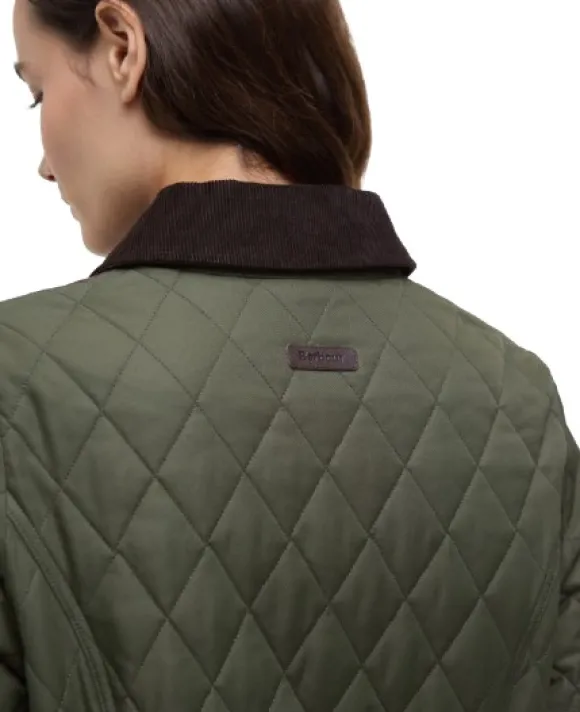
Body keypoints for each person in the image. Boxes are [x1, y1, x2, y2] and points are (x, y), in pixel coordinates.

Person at [3, 0, 578, 710]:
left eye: (37, 91)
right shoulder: (518, 396)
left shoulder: (14, 377)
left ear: (123, 47)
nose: (43, 165)